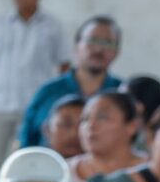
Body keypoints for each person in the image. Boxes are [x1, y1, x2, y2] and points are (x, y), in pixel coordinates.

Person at [0, 0, 71, 175]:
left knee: (31, 162)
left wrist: (57, 102)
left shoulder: (52, 27)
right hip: (0, 106)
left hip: (35, 108)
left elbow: (64, 65)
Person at [21, 17, 122, 150]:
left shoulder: (122, 94)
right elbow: (25, 143)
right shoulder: (48, 92)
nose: (99, 49)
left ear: (117, 52)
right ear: (76, 46)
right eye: (93, 40)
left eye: (108, 43)